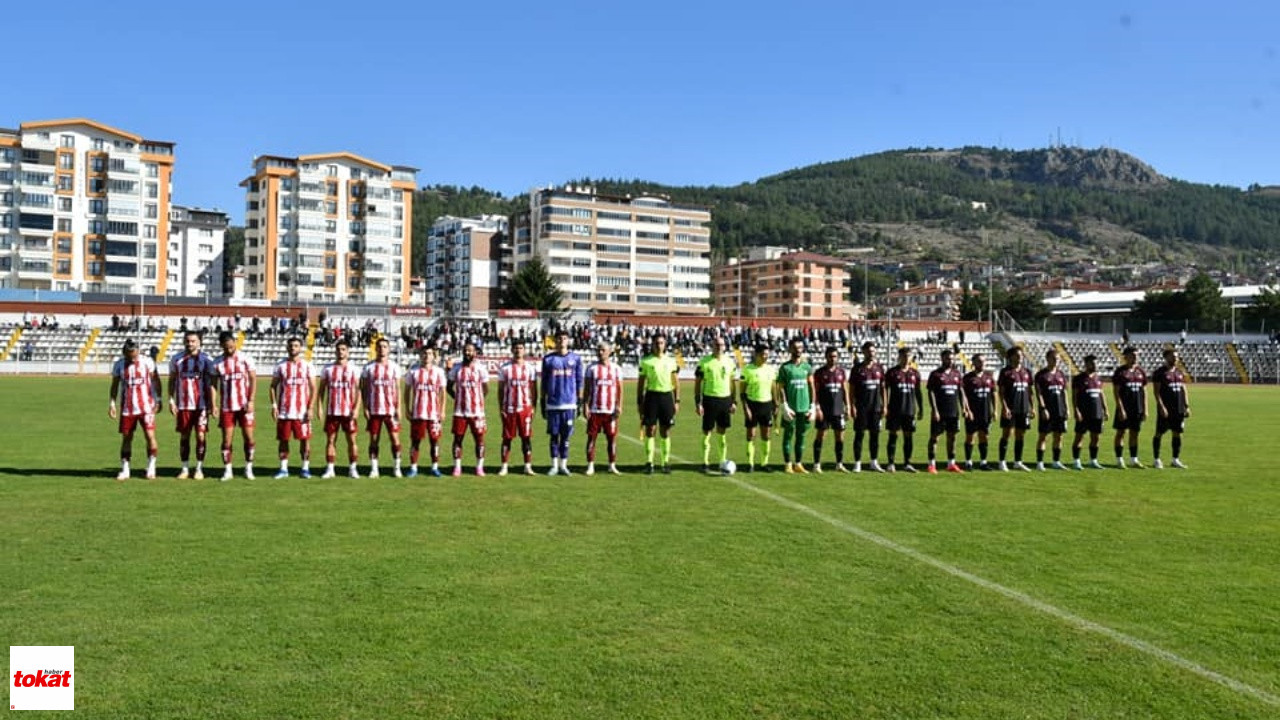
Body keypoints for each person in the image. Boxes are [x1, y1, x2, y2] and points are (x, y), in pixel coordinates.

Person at [108, 339, 161, 480]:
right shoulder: (119, 365)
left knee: (150, 436)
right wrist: (112, 403)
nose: (132, 358)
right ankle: (125, 469)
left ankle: (151, 466)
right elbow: (114, 385)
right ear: (124, 353)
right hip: (128, 408)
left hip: (146, 407)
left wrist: (158, 399)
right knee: (127, 438)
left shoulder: (147, 362)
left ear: (138, 351)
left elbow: (156, 380)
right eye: (129, 355)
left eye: (134, 355)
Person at [168, 330, 214, 479]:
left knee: (201, 436)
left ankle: (199, 468)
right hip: (183, 405)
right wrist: (171, 400)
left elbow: (212, 383)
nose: (190, 344)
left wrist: (213, 404)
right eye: (188, 341)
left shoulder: (207, 359)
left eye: (193, 341)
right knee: (184, 436)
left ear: (199, 342)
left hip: (201, 406)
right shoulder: (177, 359)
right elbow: (172, 380)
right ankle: (185, 468)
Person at [212, 330, 257, 480]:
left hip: (244, 405)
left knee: (249, 438)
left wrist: (251, 400)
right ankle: (228, 470)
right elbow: (213, 385)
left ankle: (248, 468)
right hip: (227, 406)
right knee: (226, 440)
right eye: (226, 348)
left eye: (231, 346)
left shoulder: (245, 359)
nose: (229, 350)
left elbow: (253, 380)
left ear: (235, 343)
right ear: (221, 346)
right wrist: (214, 405)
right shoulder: (217, 363)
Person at [269, 337, 315, 479]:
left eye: (296, 345)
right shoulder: (280, 365)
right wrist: (274, 405)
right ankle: (283, 469)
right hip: (284, 411)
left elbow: (313, 388)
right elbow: (273, 386)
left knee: (305, 440)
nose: (293, 348)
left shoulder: (308, 365)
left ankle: (305, 468)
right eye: (291, 345)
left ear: (300, 348)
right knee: (283, 439)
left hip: (302, 412)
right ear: (287, 348)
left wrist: (311, 408)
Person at [541, 330, 583, 476]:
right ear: (555, 341)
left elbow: (579, 381)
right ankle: (554, 465)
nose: (562, 341)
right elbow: (544, 383)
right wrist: (542, 401)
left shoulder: (576, 359)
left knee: (565, 437)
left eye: (565, 338)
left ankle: (564, 465)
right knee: (554, 435)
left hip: (569, 404)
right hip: (553, 403)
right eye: (559, 338)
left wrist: (580, 401)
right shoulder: (548, 359)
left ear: (568, 341)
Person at [318, 339, 361, 478]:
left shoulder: (354, 369)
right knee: (330, 440)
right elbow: (321, 390)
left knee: (352, 440)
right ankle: (330, 469)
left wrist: (356, 409)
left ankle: (353, 468)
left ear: (348, 352)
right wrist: (319, 407)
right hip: (332, 411)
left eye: (343, 349)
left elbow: (359, 390)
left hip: (349, 412)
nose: (340, 352)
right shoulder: (327, 369)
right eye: (338, 349)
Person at [637, 333, 680, 474]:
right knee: (650, 430)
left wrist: (677, 400)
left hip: (667, 396)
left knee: (665, 430)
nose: (659, 345)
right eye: (656, 343)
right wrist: (639, 401)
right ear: (652, 344)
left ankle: (664, 462)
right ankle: (649, 462)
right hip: (651, 396)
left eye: (661, 343)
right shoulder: (646, 361)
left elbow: (676, 383)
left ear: (665, 344)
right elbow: (641, 383)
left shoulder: (671, 361)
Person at [360, 337, 403, 478]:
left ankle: (397, 467)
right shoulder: (369, 367)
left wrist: (399, 408)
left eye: (385, 346)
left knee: (395, 439)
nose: (382, 349)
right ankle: (374, 468)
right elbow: (364, 389)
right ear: (375, 349)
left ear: (389, 349)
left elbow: (398, 388)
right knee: (373, 439)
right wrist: (365, 407)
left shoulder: (394, 367)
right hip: (374, 410)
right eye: (379, 346)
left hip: (390, 410)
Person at [695, 334, 738, 474]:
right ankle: (705, 462)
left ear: (725, 347)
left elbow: (733, 384)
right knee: (707, 431)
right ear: (712, 346)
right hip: (709, 399)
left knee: (722, 432)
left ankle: (722, 461)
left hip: (725, 400)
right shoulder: (704, 362)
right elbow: (697, 383)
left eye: (721, 345)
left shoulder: (730, 362)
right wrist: (698, 402)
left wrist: (733, 401)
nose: (719, 347)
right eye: (716, 344)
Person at [404, 345, 447, 477]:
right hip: (418, 412)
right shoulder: (413, 371)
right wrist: (407, 409)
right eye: (424, 353)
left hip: (434, 413)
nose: (426, 356)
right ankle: (413, 468)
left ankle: (435, 467)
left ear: (433, 356)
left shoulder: (439, 372)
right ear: (420, 355)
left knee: (434, 441)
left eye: (429, 354)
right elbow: (407, 391)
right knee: (415, 441)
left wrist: (443, 410)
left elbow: (442, 392)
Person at [497, 339, 539, 476]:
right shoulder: (505, 368)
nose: (518, 350)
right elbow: (501, 390)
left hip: (525, 408)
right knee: (507, 438)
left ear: (524, 350)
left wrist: (533, 407)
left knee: (526, 437)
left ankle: (527, 466)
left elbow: (534, 390)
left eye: (520, 348)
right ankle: (504, 466)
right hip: (509, 408)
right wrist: (501, 407)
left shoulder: (530, 368)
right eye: (515, 348)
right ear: (512, 350)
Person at [448, 341, 489, 476]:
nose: (467, 353)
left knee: (480, 440)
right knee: (458, 439)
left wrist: (478, 400)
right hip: (460, 411)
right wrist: (458, 397)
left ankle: (479, 467)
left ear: (475, 353)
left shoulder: (481, 368)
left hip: (477, 412)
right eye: (465, 350)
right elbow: (449, 387)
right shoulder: (456, 368)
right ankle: (457, 467)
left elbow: (486, 389)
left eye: (470, 350)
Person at [582, 341, 623, 476]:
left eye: (603, 350)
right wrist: (585, 405)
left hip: (610, 411)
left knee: (611, 439)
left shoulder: (616, 369)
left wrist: (619, 406)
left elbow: (619, 390)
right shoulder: (591, 368)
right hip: (595, 410)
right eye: (599, 350)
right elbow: (587, 389)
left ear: (610, 352)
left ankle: (612, 465)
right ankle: (590, 465)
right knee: (591, 438)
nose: (600, 352)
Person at [776, 337, 816, 474]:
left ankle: (798, 463)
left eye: (800, 347)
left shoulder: (807, 367)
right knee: (788, 436)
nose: (798, 350)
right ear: (790, 349)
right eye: (795, 348)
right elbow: (780, 387)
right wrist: (784, 405)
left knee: (801, 437)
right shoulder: (785, 367)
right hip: (791, 409)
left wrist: (812, 405)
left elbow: (812, 386)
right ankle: (787, 463)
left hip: (804, 408)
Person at [926, 349, 970, 474]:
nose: (950, 361)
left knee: (952, 437)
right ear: (942, 359)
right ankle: (931, 464)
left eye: (952, 358)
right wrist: (935, 410)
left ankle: (951, 464)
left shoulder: (957, 374)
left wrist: (965, 408)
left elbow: (961, 392)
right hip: (940, 412)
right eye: (947, 358)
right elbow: (931, 392)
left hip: (953, 412)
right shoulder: (935, 374)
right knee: (935, 438)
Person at [884, 346, 923, 473]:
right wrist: (885, 406)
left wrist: (921, 407)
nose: (906, 359)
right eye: (904, 356)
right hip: (895, 410)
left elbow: (918, 392)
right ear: (899, 357)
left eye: (909, 356)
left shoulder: (915, 373)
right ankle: (891, 463)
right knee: (893, 435)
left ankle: (907, 463)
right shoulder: (892, 372)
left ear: (912, 357)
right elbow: (885, 389)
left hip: (909, 410)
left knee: (908, 436)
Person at [849, 341, 886, 473]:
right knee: (859, 435)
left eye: (873, 351)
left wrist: (885, 405)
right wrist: (852, 406)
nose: (872, 354)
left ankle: (873, 462)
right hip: (861, 408)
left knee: (875, 436)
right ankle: (857, 462)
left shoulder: (879, 368)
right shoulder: (857, 369)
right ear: (864, 352)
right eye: (869, 351)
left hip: (875, 408)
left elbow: (883, 388)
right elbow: (851, 389)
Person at [812, 345, 850, 473]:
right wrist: (817, 407)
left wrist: (848, 406)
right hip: (824, 411)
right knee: (821, 436)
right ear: (826, 357)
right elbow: (815, 392)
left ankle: (839, 464)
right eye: (830, 356)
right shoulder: (819, 373)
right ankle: (817, 464)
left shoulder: (841, 372)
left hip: (838, 410)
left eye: (835, 356)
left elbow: (845, 390)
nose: (833, 359)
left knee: (840, 437)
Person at [739, 343, 777, 472]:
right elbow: (742, 392)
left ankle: (764, 463)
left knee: (766, 435)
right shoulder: (747, 370)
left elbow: (773, 388)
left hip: (766, 405)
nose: (765, 357)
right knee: (751, 435)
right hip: (752, 405)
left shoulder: (771, 369)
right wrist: (746, 408)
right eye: (763, 354)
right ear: (756, 355)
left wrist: (775, 404)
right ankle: (750, 464)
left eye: (767, 354)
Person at [1151, 348, 1191, 469]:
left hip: (1178, 409)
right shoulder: (1159, 373)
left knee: (1177, 433)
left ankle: (1175, 459)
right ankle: (1156, 459)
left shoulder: (1179, 372)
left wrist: (1187, 406)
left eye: (1177, 357)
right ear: (1166, 357)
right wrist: (1161, 407)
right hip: (1166, 409)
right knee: (1159, 433)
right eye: (1173, 357)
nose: (1175, 359)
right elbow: (1156, 392)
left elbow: (1183, 389)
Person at [997, 346, 1033, 472]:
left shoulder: (1027, 372)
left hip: (1023, 409)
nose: (1020, 357)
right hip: (1010, 409)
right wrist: (1004, 407)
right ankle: (1002, 462)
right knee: (1007, 434)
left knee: (1021, 435)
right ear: (1011, 357)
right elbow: (1001, 392)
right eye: (1018, 355)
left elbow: (1029, 391)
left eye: (1021, 355)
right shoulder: (1005, 372)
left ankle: (1018, 462)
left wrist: (1031, 407)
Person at [1033, 348, 1069, 471]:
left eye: (1058, 359)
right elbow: (1039, 394)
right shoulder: (1040, 375)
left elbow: (1064, 392)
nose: (1056, 361)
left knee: (1059, 436)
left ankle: (1056, 461)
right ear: (1047, 359)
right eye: (1054, 358)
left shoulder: (1061, 374)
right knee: (1043, 436)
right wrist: (1043, 409)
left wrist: (1067, 409)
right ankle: (1040, 462)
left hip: (1060, 410)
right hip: (1047, 411)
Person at [1070, 354, 1108, 470]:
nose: (1095, 365)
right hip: (1083, 413)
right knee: (1079, 437)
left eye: (1096, 363)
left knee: (1096, 437)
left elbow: (1101, 394)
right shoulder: (1078, 378)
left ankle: (1093, 460)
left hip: (1097, 413)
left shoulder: (1098, 378)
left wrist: (1105, 409)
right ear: (1086, 364)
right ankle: (1076, 461)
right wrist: (1076, 410)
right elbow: (1074, 396)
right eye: (1092, 363)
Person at [1112, 346, 1148, 468]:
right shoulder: (1120, 372)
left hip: (1137, 408)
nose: (1135, 358)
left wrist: (1145, 409)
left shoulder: (1141, 372)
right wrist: (1120, 409)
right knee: (1121, 433)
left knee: (1135, 433)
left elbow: (1144, 391)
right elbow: (1116, 392)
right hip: (1124, 408)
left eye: (1137, 355)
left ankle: (1134, 460)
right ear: (1126, 357)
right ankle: (1119, 459)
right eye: (1133, 355)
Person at [961, 353, 997, 471]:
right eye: (979, 361)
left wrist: (995, 410)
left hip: (985, 412)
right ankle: (968, 462)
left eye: (983, 361)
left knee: (984, 436)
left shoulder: (989, 377)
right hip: (972, 412)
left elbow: (994, 394)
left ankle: (983, 462)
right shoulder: (968, 378)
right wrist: (967, 409)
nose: (982, 364)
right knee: (970, 437)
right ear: (974, 363)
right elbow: (963, 395)